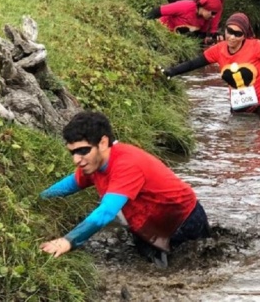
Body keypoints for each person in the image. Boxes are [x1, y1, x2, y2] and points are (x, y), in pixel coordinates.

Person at [39, 111, 210, 268]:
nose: (77, 159)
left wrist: (68, 241)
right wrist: (39, 199)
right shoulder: (92, 163)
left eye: (83, 151)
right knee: (148, 267)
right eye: (72, 153)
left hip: (184, 222)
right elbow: (71, 185)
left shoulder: (126, 164)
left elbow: (106, 212)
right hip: (148, 225)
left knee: (189, 270)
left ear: (103, 143)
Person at [161, 12, 260, 123]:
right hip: (239, 104)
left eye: (238, 34)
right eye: (229, 31)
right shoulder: (218, 50)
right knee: (235, 139)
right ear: (224, 29)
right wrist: (171, 72)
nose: (232, 37)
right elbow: (193, 64)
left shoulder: (255, 46)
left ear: (244, 35)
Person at [145, 0, 222, 39]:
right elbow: (158, 11)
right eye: (213, 13)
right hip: (160, 30)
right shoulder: (186, 6)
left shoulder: (205, 19)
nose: (213, 17)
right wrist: (144, 23)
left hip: (174, 39)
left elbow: (200, 37)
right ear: (206, 8)